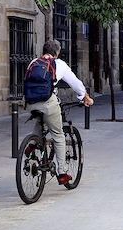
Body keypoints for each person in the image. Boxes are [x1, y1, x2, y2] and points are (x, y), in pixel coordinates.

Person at [25, 40, 93, 185]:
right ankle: (62, 173)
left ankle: (32, 143)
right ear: (57, 53)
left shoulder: (34, 62)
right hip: (48, 103)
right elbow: (75, 83)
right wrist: (85, 97)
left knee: (41, 118)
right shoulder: (59, 64)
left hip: (30, 103)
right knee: (58, 135)